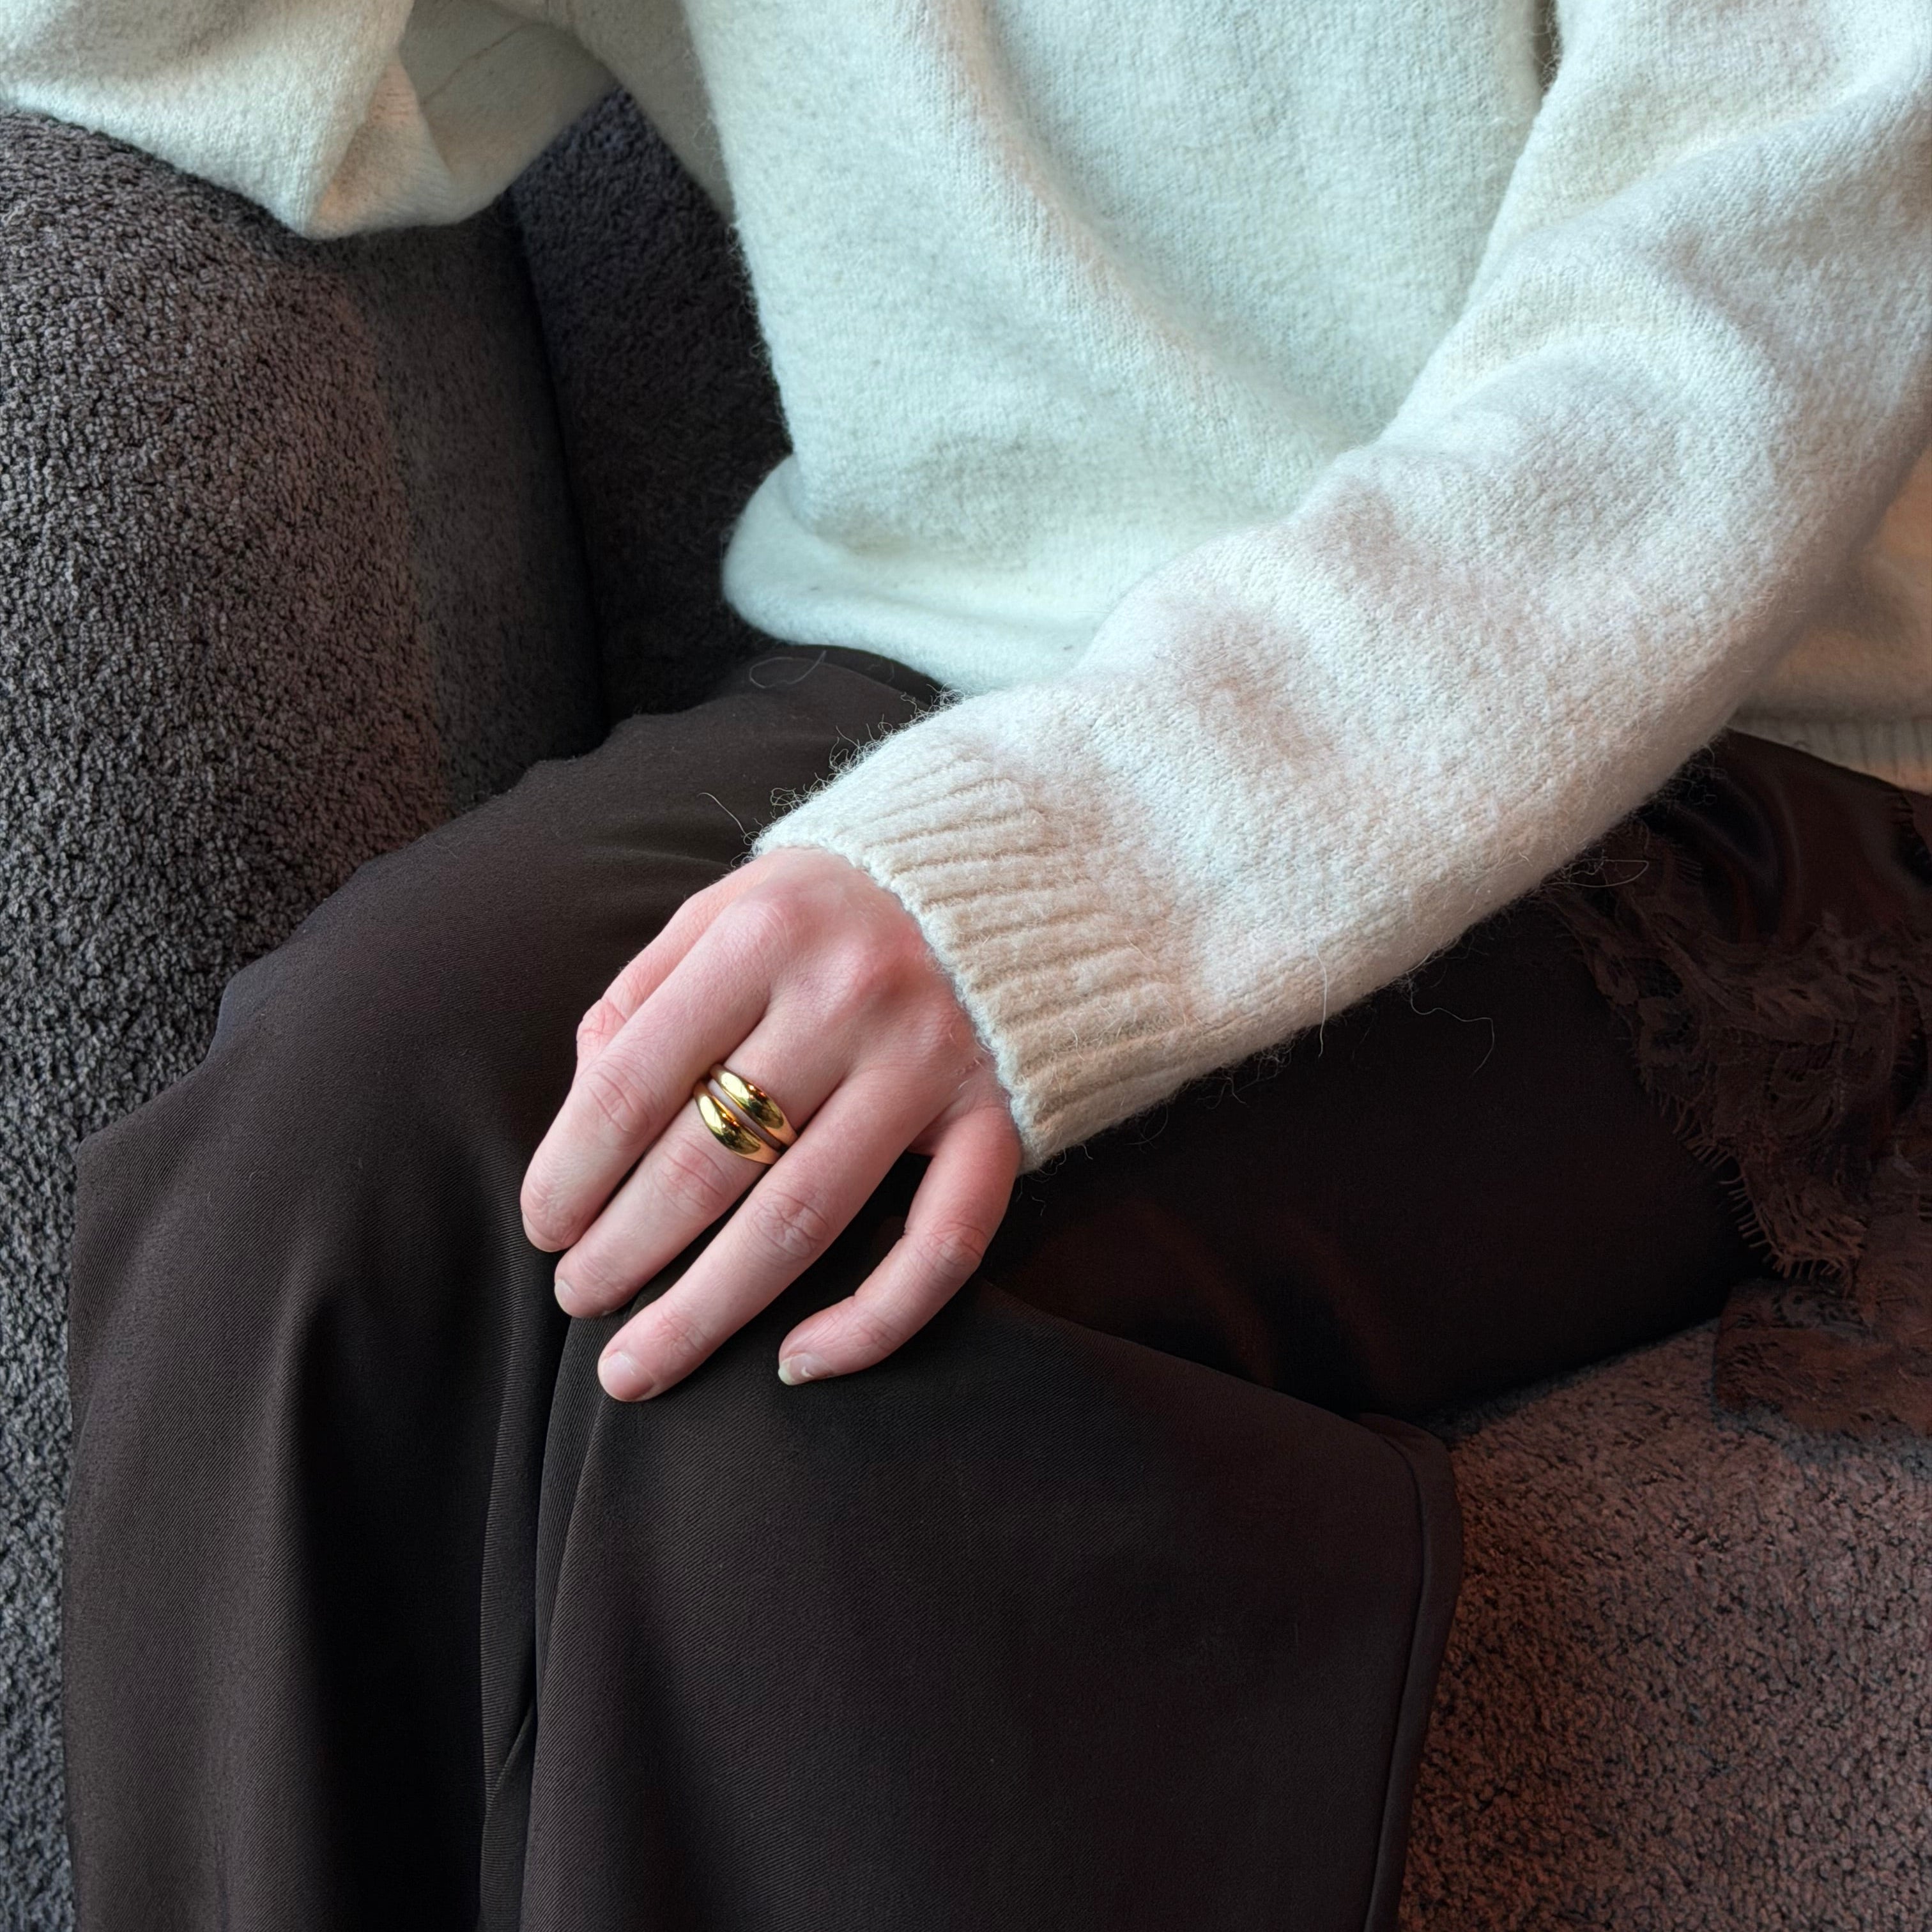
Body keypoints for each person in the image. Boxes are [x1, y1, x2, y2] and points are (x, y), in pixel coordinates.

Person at [11, 1, 1930, 1926]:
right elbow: (134, 47)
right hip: (937, 675)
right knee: (319, 1156)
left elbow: (1738, 323)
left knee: (815, 1330)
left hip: (1670, 732)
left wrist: (1052, 872)